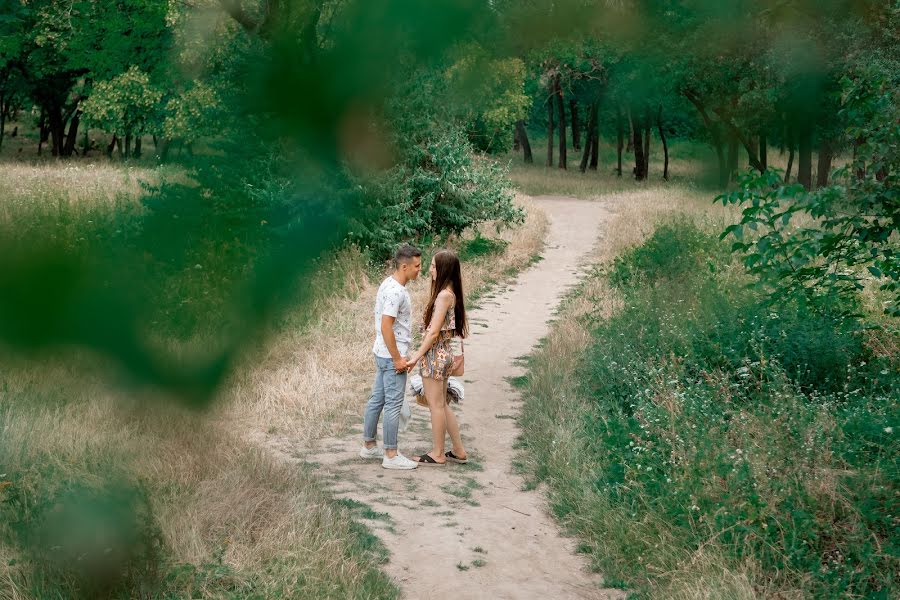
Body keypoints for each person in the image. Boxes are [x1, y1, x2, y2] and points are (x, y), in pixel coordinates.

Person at [360, 244, 422, 469]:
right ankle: (391, 454)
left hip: (381, 352)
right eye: (416, 266)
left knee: (377, 399)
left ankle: (368, 446)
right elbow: (387, 325)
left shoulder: (387, 283)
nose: (419, 270)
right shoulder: (397, 291)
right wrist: (398, 358)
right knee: (393, 404)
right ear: (404, 266)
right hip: (391, 355)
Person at [407, 250, 469, 466]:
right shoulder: (452, 293)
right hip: (445, 353)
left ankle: (438, 453)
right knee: (442, 404)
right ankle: (458, 450)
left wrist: (416, 355)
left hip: (435, 355)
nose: (430, 270)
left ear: (443, 269)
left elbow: (433, 332)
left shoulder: (443, 296)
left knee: (435, 405)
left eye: (433, 266)